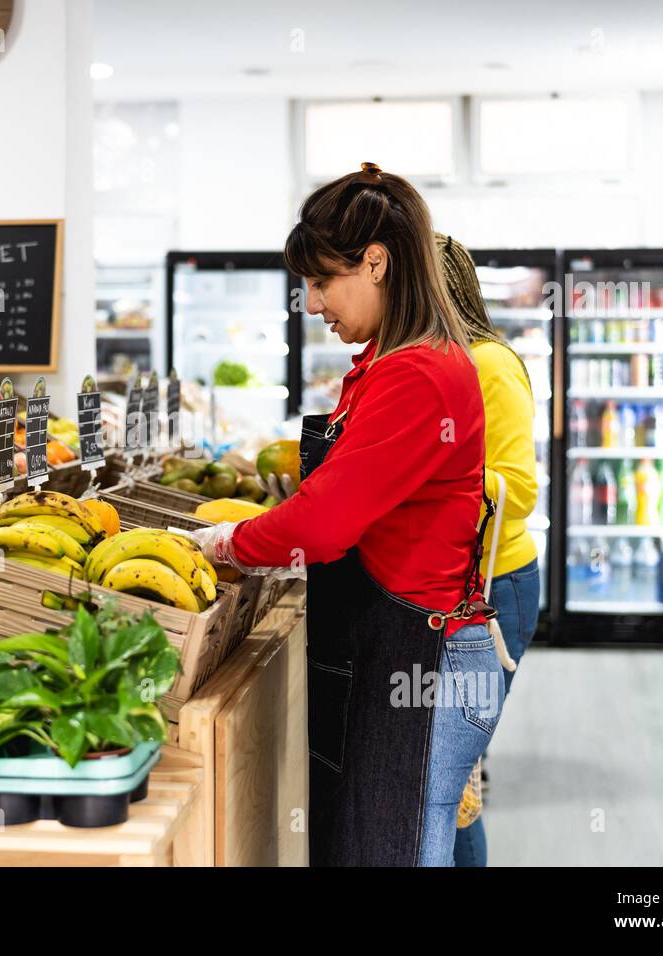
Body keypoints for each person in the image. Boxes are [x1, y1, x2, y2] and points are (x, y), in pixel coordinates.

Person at [192, 163, 505, 866]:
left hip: (420, 668)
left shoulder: (417, 373)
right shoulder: (384, 365)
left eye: (322, 280)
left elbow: (323, 527)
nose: (311, 303)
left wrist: (224, 542)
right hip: (401, 654)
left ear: (377, 261)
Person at [436, 234, 541, 867]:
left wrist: (421, 477)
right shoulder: (432, 364)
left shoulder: (489, 365)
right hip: (456, 583)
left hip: (496, 588)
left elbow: (518, 490)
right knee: (447, 773)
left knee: (453, 780)